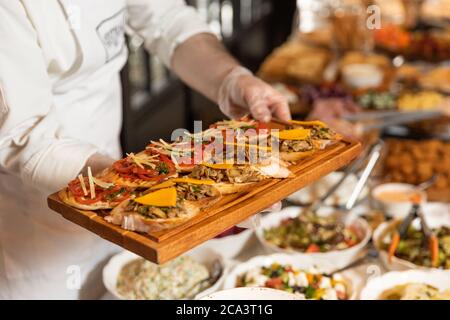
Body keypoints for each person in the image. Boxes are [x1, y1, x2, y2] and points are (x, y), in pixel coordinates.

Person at [0, 0, 290, 299]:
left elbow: (166, 18)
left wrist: (231, 78)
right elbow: (25, 137)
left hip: (116, 179)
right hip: (34, 218)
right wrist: (135, 184)